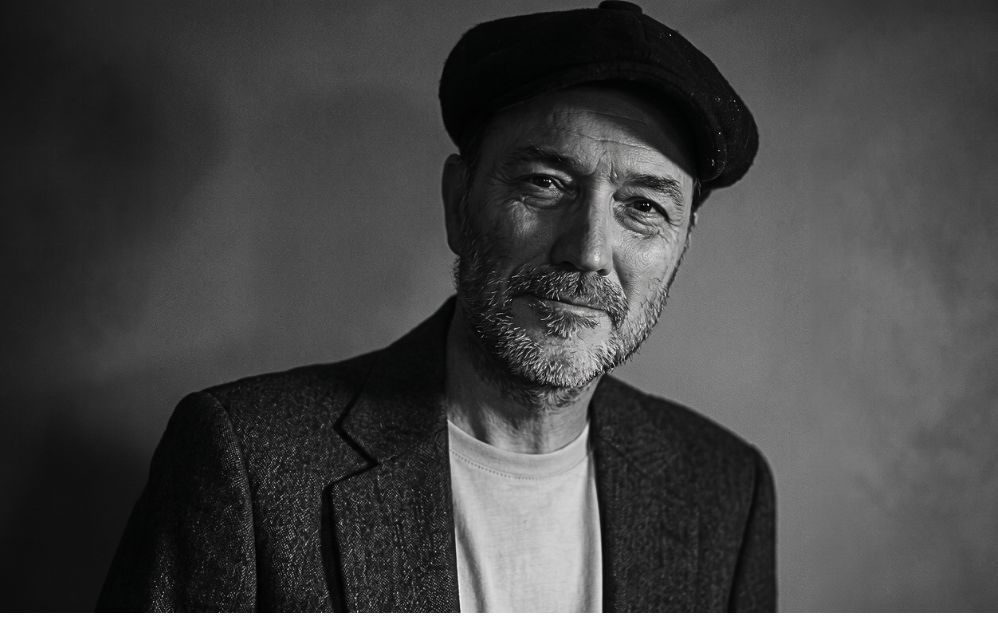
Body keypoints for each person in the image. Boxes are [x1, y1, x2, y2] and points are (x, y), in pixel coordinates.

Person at [98, 1, 774, 612]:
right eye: (546, 183)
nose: (589, 252)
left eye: (644, 207)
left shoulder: (727, 490)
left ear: (682, 244)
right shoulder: (244, 460)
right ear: (459, 203)